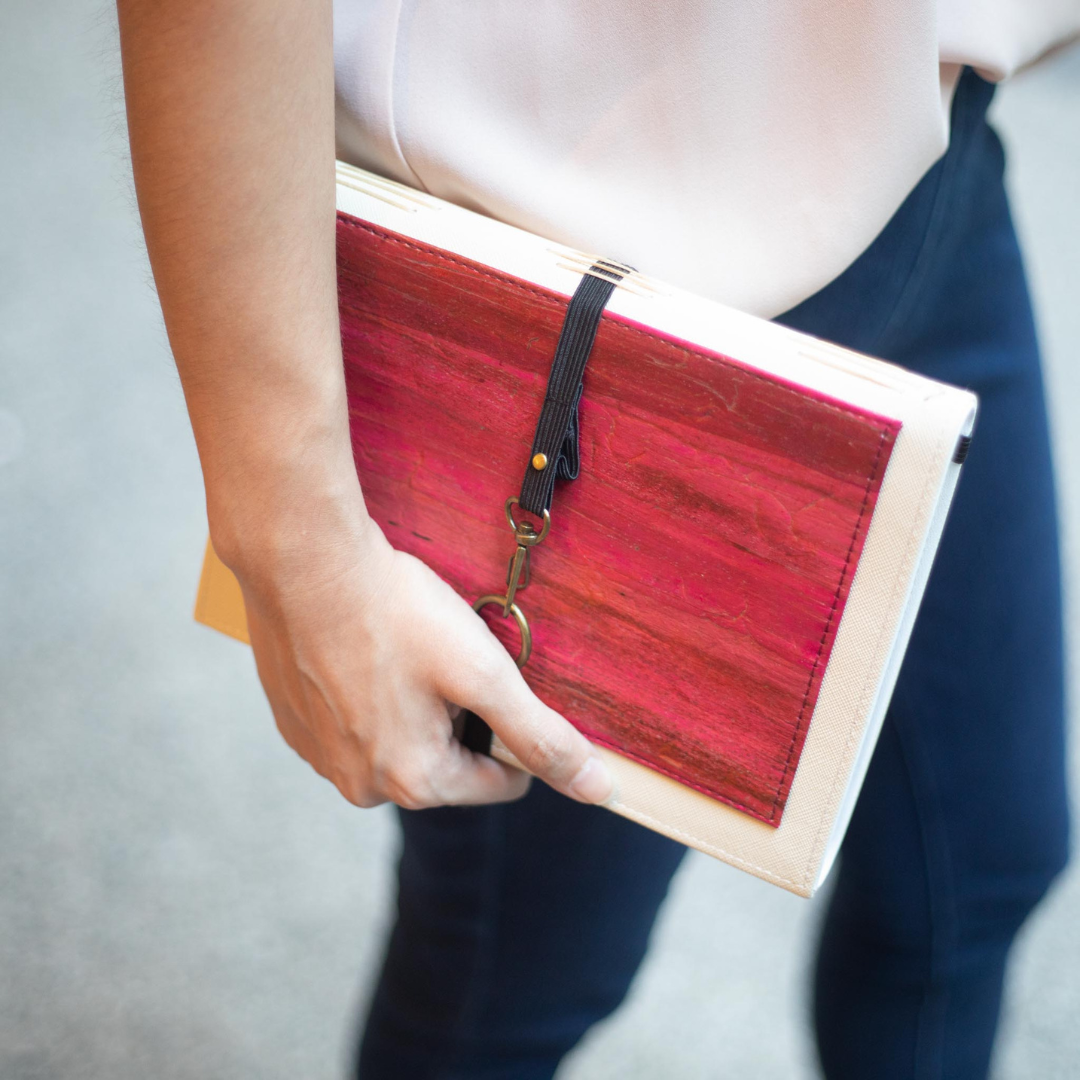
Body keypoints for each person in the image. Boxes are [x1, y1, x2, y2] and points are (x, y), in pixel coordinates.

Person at [116, 3, 1077, 1077]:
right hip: (585, 326)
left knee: (981, 864)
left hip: (930, 179)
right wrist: (297, 542)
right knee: (517, 985)